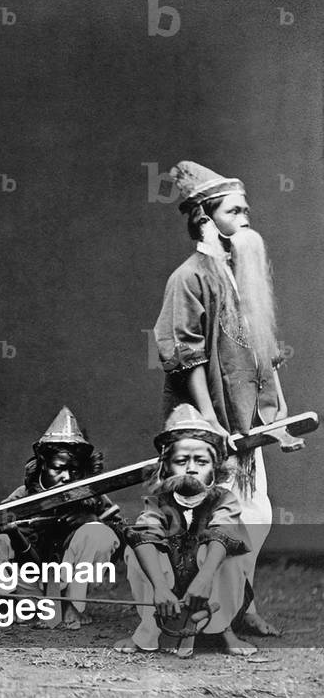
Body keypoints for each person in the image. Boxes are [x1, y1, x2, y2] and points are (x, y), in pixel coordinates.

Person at [153, 160, 291, 636]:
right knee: (217, 520)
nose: (247, 217)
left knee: (258, 515)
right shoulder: (189, 278)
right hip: (208, 425)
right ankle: (202, 612)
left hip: (246, 424)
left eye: (247, 209)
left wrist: (278, 422)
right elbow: (185, 357)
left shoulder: (241, 274)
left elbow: (263, 359)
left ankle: (242, 604)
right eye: (235, 211)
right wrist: (209, 426)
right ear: (206, 218)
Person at [115, 404, 256, 657]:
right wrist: (160, 587)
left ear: (215, 467)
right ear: (166, 466)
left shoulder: (225, 499)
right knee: (137, 550)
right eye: (181, 461)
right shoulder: (158, 502)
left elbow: (222, 533)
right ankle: (149, 630)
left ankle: (224, 631)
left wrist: (204, 579)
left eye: (201, 461)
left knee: (227, 550)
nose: (191, 468)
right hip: (168, 594)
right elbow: (145, 534)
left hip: (210, 592)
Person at [0, 407, 122, 629]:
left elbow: (122, 534)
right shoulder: (23, 495)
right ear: (43, 464)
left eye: (74, 470)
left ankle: (73, 607)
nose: (67, 477)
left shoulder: (92, 494)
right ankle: (13, 603)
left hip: (68, 578)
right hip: (28, 576)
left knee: (99, 534)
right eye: (59, 469)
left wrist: (91, 519)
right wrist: (12, 531)